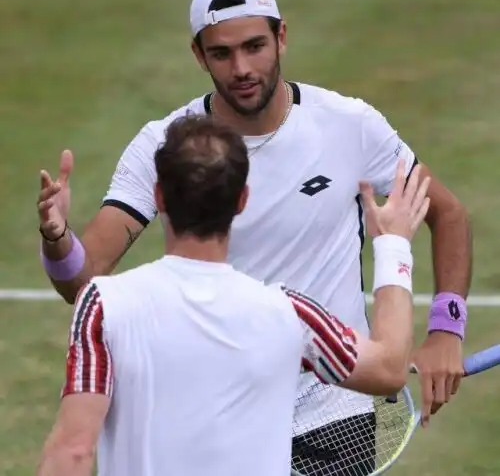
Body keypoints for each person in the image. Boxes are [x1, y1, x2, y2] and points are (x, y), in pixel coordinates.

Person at [37, 0, 471, 475]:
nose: (242, 68)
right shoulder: (166, 147)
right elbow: (83, 275)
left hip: (333, 409)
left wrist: (447, 327)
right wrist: (56, 237)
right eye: (221, 53)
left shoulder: (351, 126)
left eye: (254, 46)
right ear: (199, 56)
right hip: (224, 413)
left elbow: (448, 212)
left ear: (281, 37)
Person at [36, 114, 430, 476]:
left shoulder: (103, 306)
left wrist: (57, 237)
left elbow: (71, 452)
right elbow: (389, 369)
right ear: (242, 200)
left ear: (158, 197)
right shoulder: (290, 316)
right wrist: (393, 245)